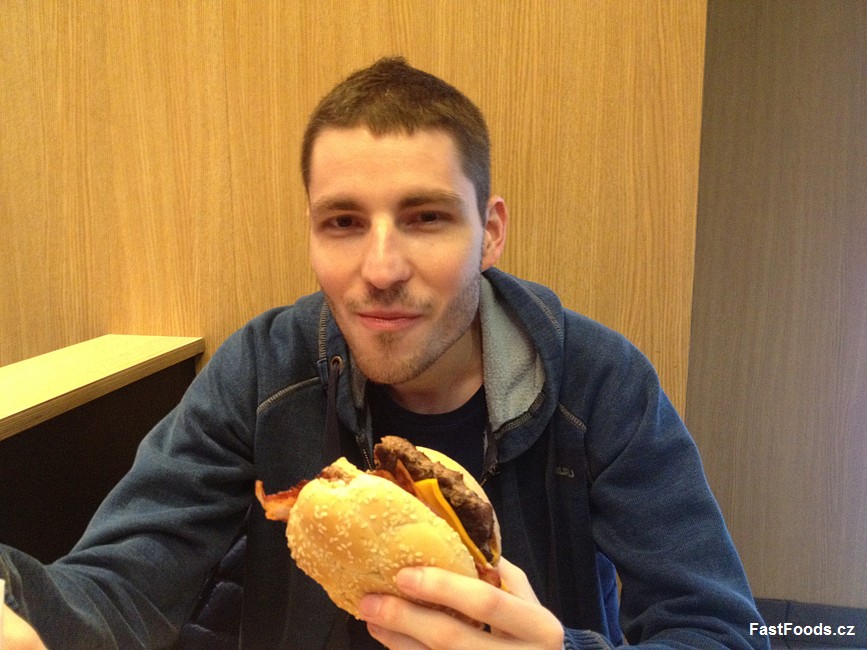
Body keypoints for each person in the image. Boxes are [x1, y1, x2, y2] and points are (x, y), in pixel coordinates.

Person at [1, 57, 769, 650]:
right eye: (341, 222)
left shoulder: (599, 383)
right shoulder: (262, 371)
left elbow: (718, 630)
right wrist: (19, 605)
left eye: (425, 217)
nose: (379, 268)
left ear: (490, 233)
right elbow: (119, 591)